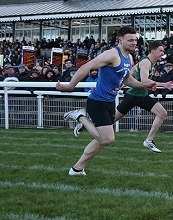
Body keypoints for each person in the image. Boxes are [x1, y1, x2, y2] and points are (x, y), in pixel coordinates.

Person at [56, 26, 157, 176]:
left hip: (109, 102)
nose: (134, 43)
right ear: (120, 40)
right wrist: (70, 86)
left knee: (101, 142)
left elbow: (127, 79)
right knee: (107, 139)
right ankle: (80, 117)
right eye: (130, 40)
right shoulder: (111, 55)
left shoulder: (129, 57)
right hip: (97, 102)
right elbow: (86, 67)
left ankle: (77, 168)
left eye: (135, 40)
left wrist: (144, 85)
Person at [114, 40, 173, 153]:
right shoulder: (146, 62)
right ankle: (86, 122)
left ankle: (149, 140)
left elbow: (133, 70)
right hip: (133, 96)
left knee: (162, 113)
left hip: (142, 96)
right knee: (111, 119)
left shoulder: (147, 62)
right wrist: (163, 84)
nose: (163, 53)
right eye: (160, 51)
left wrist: (124, 82)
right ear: (153, 51)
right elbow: (145, 80)